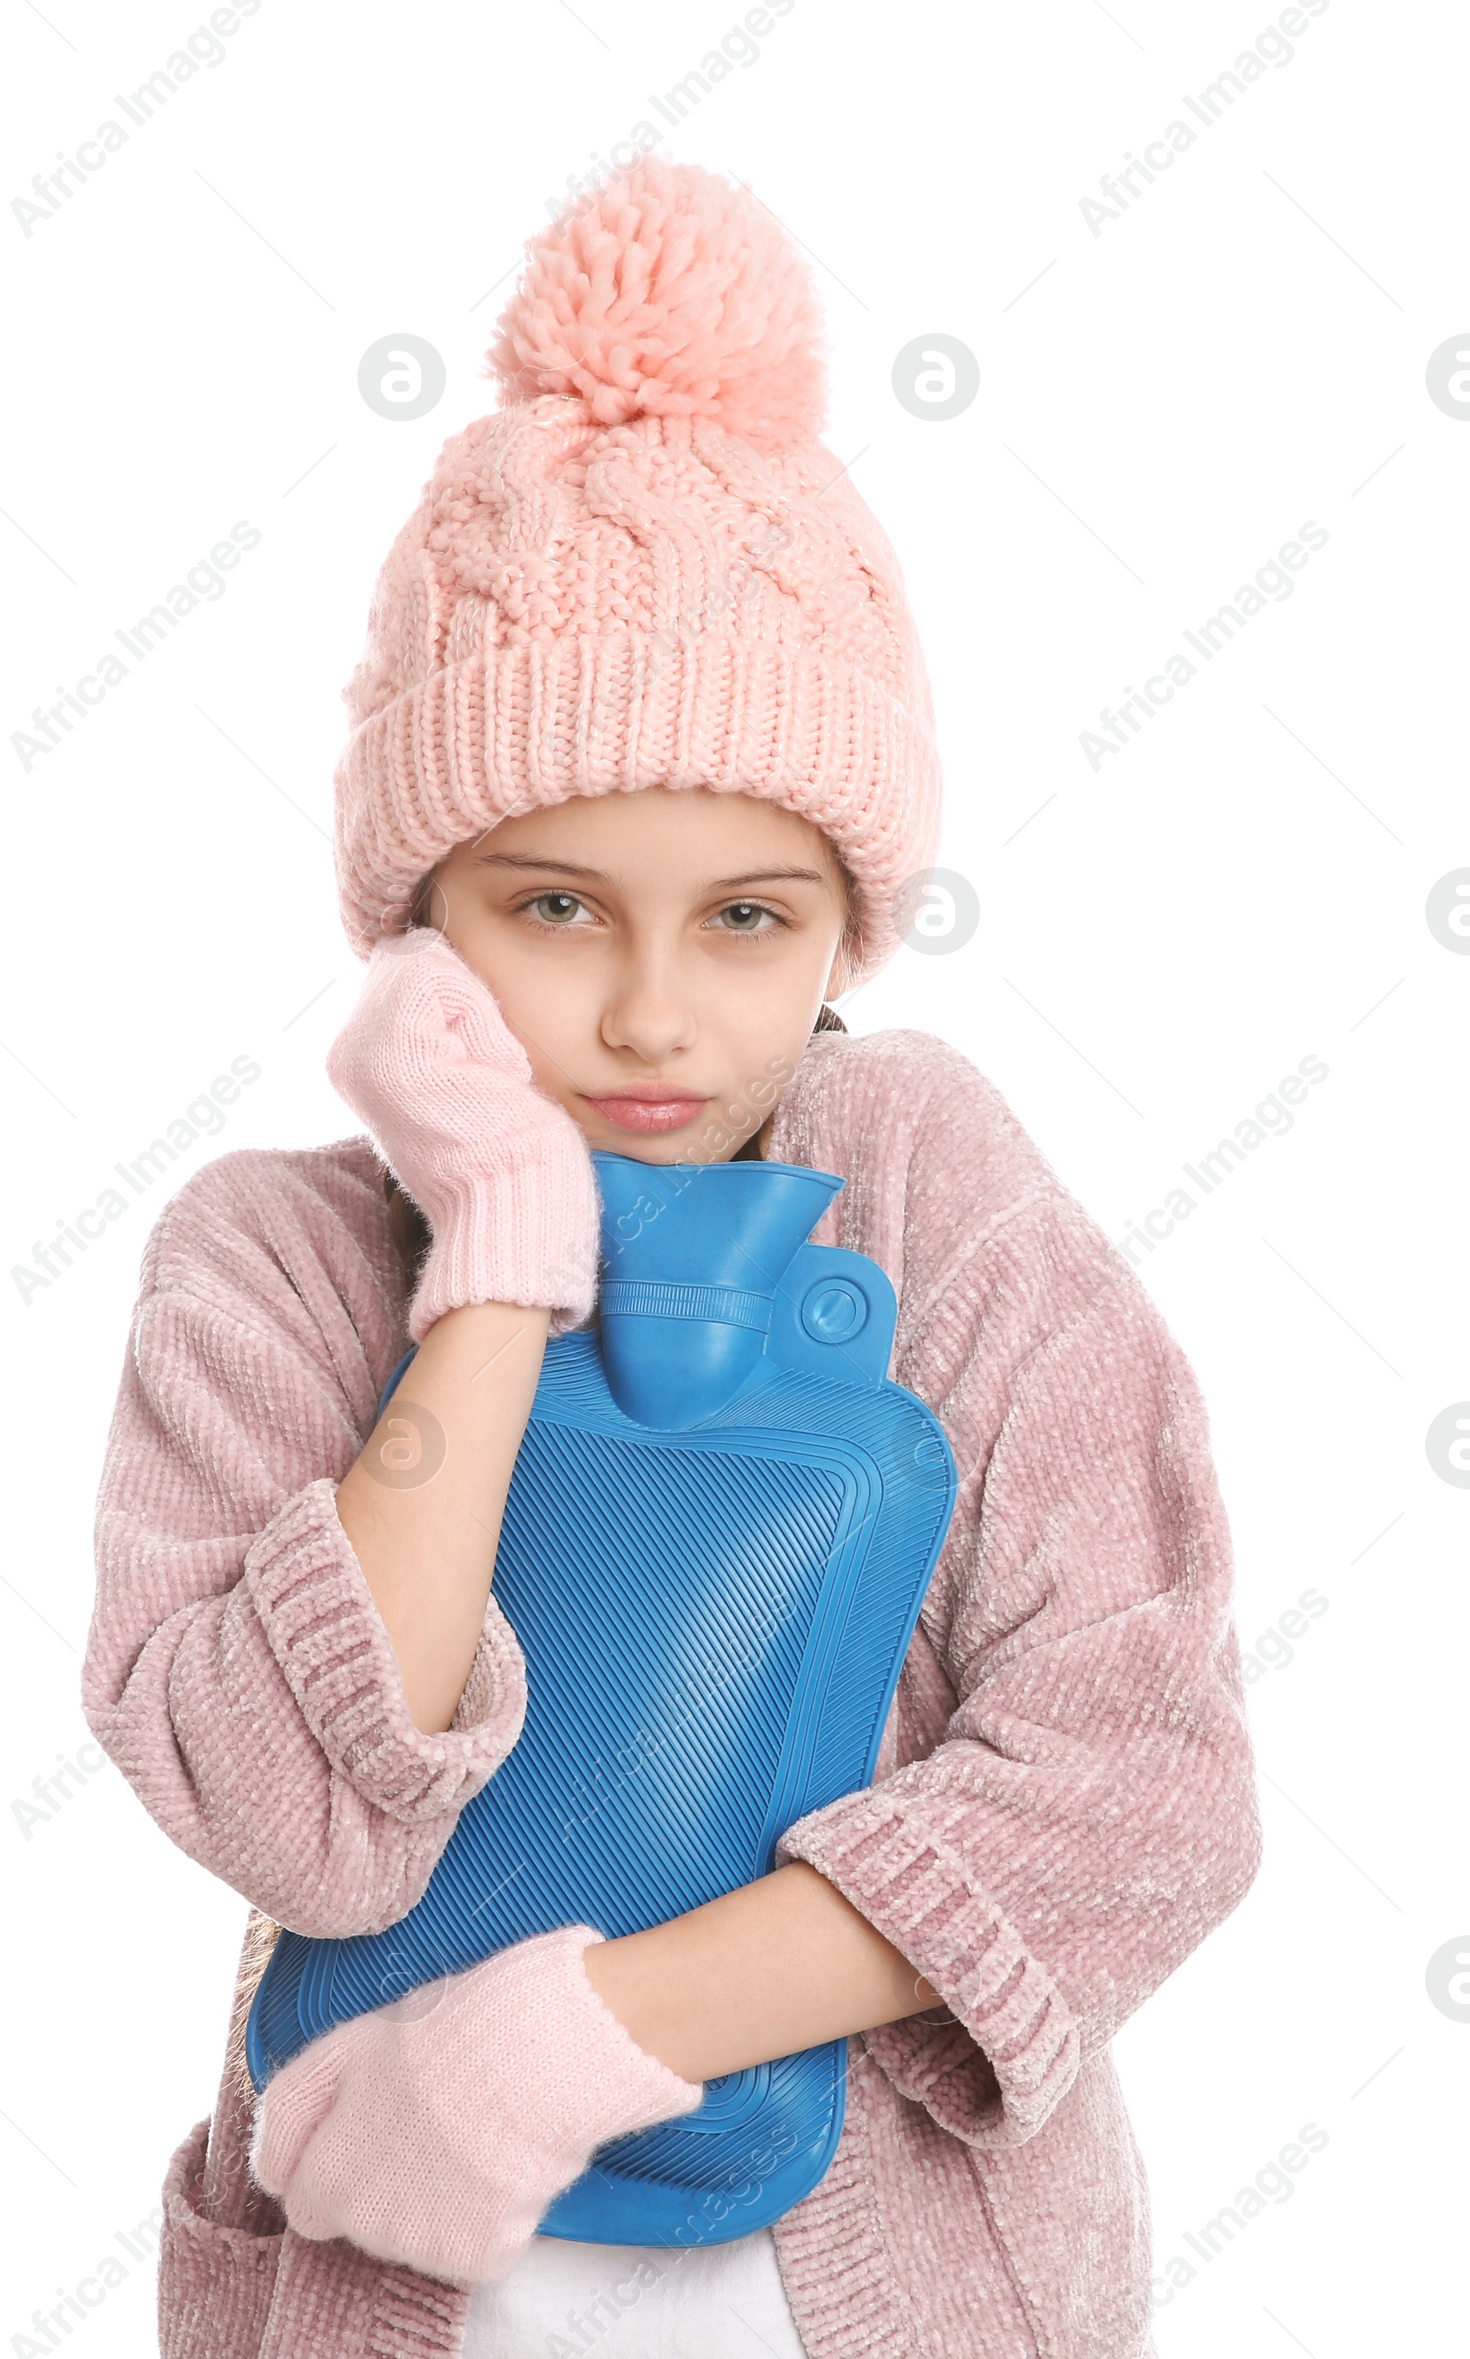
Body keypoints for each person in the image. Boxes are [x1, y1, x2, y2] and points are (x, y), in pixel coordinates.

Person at [83, 156, 1261, 2359]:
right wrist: (498, 1282)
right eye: (550, 907)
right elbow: (297, 1822)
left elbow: (1143, 1778)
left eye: (746, 918)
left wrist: (588, 2032)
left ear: (841, 922)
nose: (649, 1016)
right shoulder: (265, 1266)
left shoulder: (924, 1188)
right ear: (414, 911)